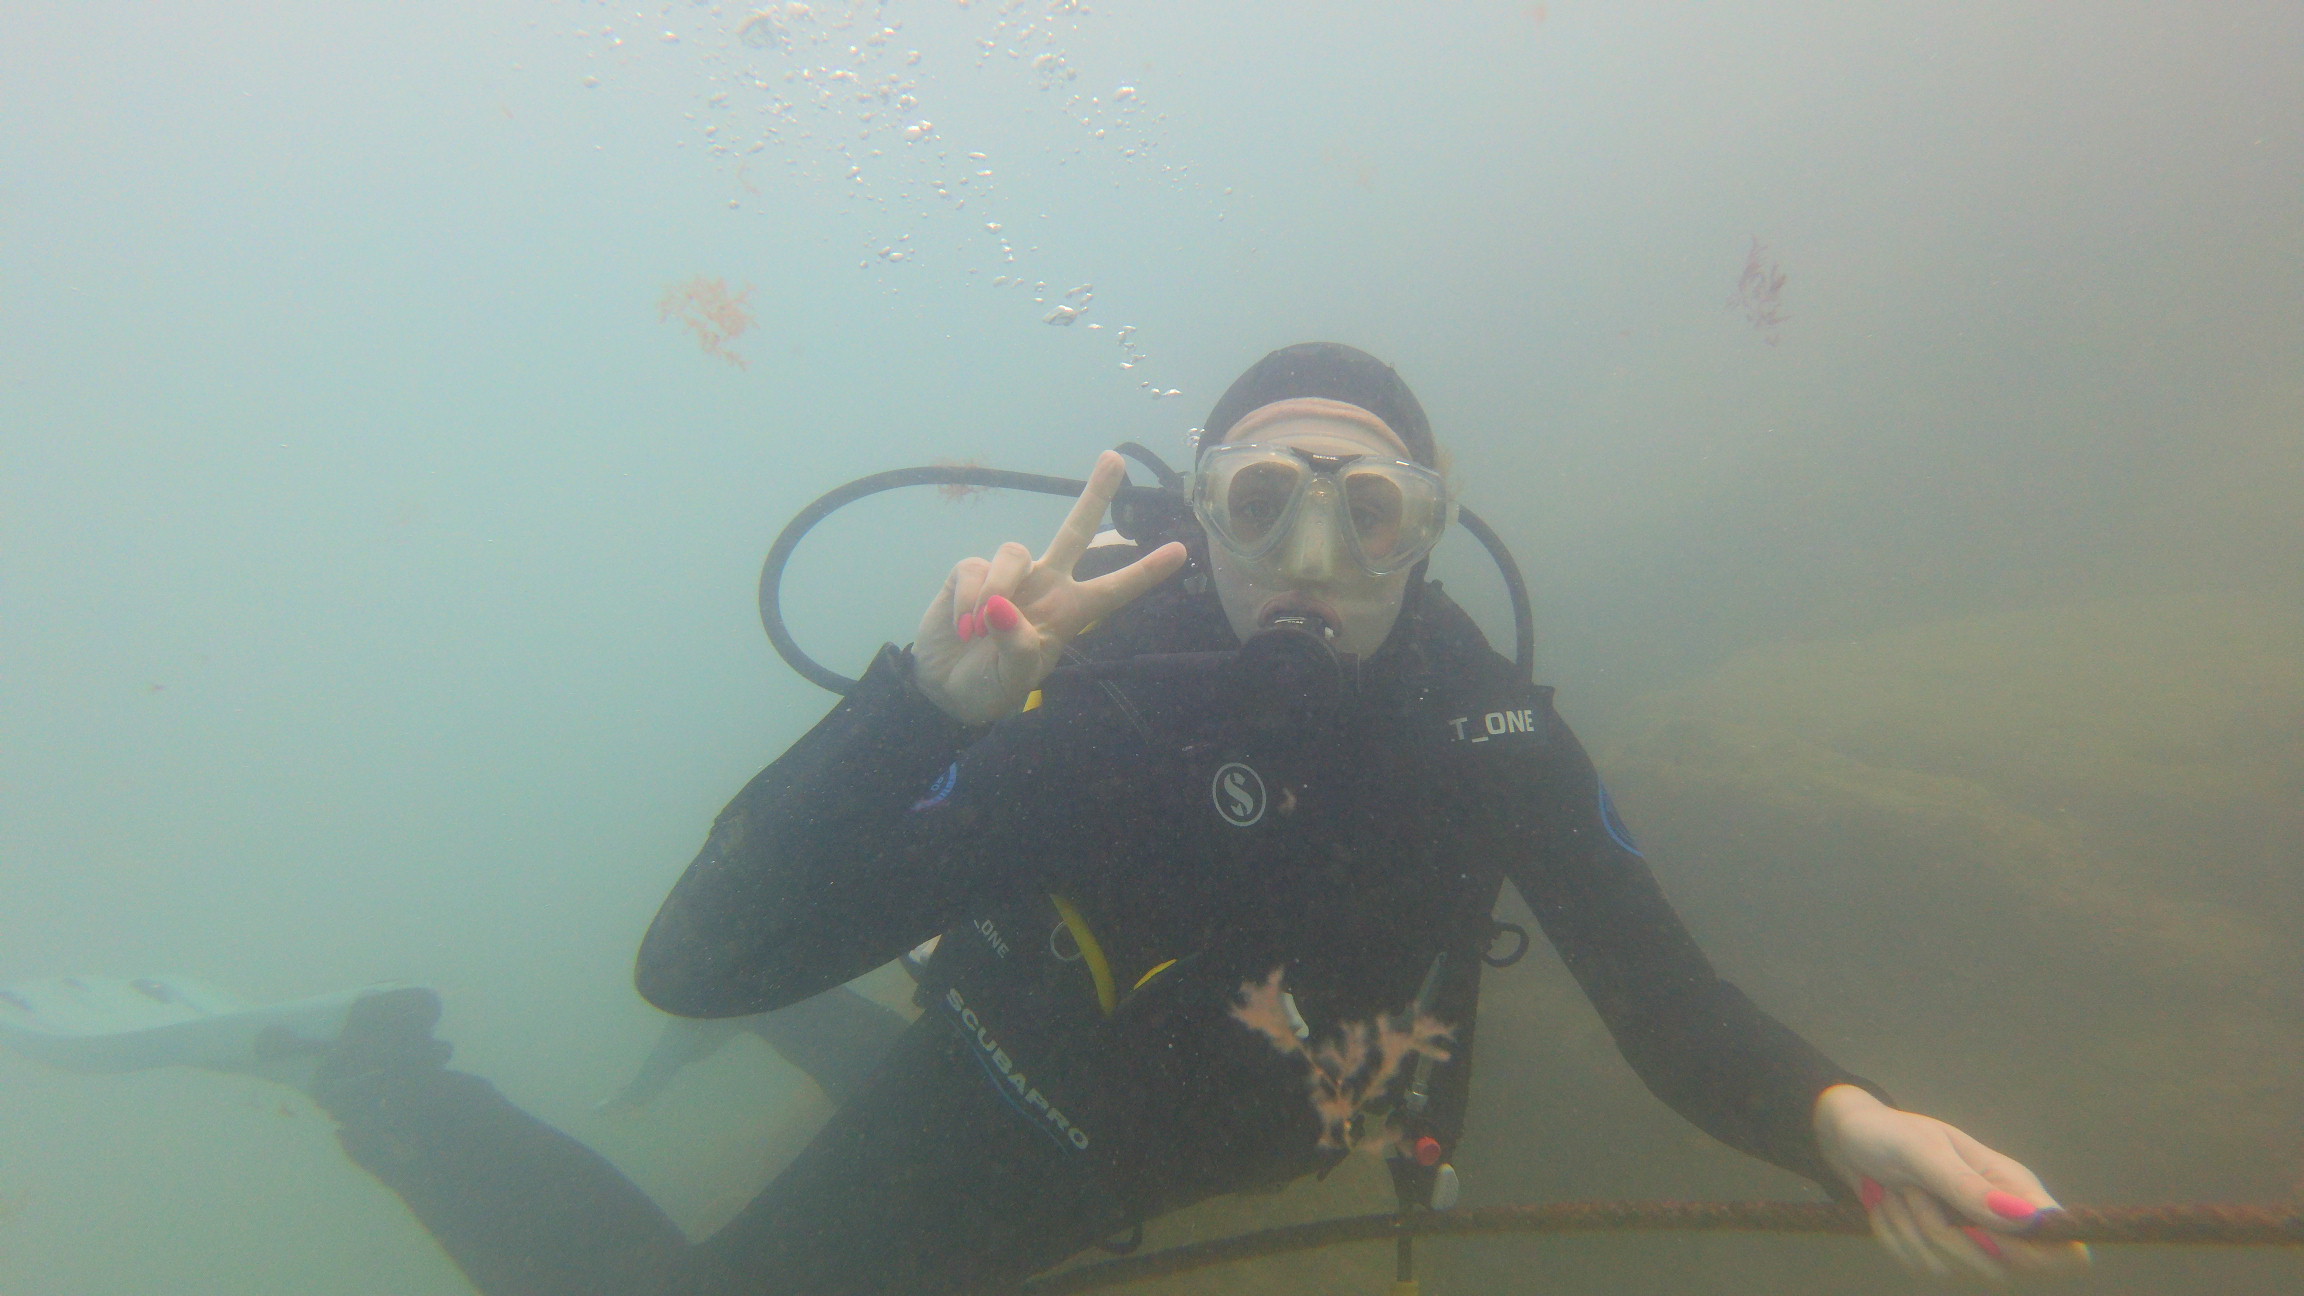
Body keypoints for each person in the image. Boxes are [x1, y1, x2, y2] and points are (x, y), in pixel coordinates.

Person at [4, 344, 2089, 1294]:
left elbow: (1670, 1001)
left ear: (1431, 534)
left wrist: (1843, 1122)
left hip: (1209, 1138)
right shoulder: (1106, 716)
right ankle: (375, 1072)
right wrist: (917, 710)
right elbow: (698, 966)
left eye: (1370, 512)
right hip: (1009, 1124)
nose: (1314, 560)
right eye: (1262, 501)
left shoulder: (1488, 727)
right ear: (1200, 515)